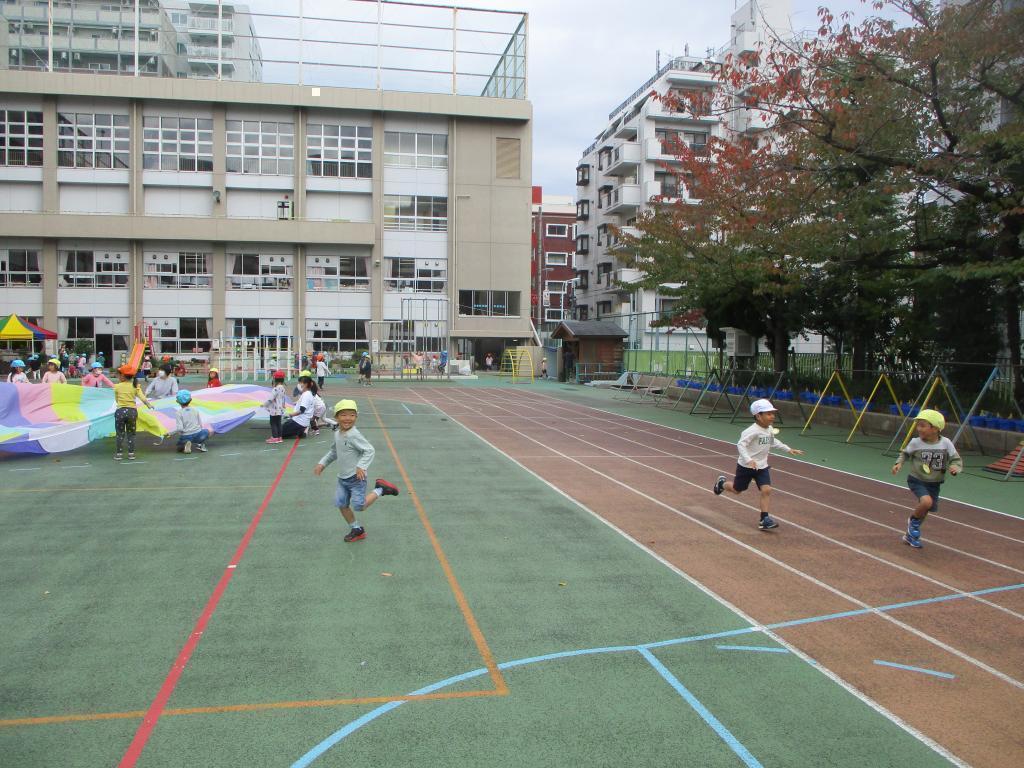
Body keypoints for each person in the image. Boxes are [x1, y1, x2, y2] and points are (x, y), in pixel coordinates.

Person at [313, 399, 400, 542]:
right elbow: (334, 452)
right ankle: (356, 529)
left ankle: (381, 490)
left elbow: (369, 450)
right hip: (342, 478)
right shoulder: (338, 433)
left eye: (352, 415)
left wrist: (361, 466)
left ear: (356, 417)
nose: (348, 418)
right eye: (344, 415)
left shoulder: (354, 434)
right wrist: (322, 463)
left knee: (359, 506)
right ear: (336, 417)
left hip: (356, 478)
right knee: (341, 504)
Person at [713, 398, 805, 530]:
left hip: (762, 466)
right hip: (746, 467)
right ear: (758, 416)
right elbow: (741, 445)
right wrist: (748, 460)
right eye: (768, 413)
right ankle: (721, 484)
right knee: (737, 490)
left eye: (773, 413)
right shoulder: (752, 431)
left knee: (767, 490)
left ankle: (764, 519)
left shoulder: (769, 429)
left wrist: (788, 449)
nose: (772, 416)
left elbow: (773, 441)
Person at [892, 409, 962, 549]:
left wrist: (955, 468)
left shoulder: (946, 443)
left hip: (934, 483)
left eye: (923, 425)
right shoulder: (916, 443)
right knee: (926, 502)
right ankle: (913, 522)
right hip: (917, 479)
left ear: (935, 428)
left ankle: (910, 535)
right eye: (918, 425)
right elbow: (905, 454)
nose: (919, 428)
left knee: (926, 508)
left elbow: (955, 459)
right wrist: (898, 463)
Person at [112, 364, 152, 461]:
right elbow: (142, 397)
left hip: (120, 411)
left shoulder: (117, 386)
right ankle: (131, 453)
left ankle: (119, 454)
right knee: (131, 433)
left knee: (120, 433)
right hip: (132, 412)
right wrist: (148, 405)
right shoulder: (135, 386)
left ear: (122, 376)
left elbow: (117, 400)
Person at [173, 390, 209, 454]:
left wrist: (171, 433)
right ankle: (200, 443)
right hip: (198, 434)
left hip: (186, 435)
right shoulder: (195, 410)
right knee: (206, 431)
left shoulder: (178, 413)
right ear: (191, 400)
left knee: (179, 448)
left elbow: (180, 429)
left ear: (177, 401)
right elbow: (200, 424)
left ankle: (186, 444)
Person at [281, 373, 315, 439]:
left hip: (299, 422)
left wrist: (289, 415)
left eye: (300, 383)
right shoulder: (307, 393)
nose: (299, 385)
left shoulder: (306, 395)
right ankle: (299, 431)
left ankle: (299, 431)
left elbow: (302, 410)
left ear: (305, 384)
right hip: (300, 421)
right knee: (284, 426)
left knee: (278, 433)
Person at [263, 370, 287, 444]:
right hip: (280, 409)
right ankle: (279, 437)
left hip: (274, 409)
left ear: (275, 379)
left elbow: (271, 399)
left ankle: (275, 437)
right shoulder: (283, 388)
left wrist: (265, 404)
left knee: (273, 423)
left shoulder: (275, 389)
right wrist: (283, 405)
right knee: (278, 423)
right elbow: (283, 398)